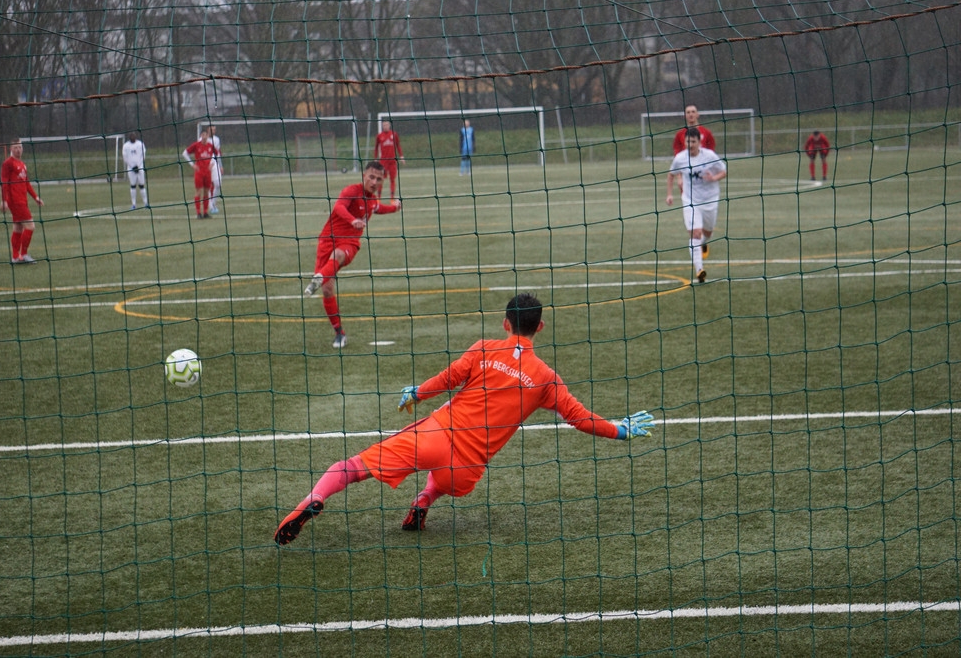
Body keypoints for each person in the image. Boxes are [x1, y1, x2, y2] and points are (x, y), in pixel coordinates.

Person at [275, 292, 656, 545]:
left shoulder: (483, 349)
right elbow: (580, 419)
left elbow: (448, 379)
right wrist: (620, 430)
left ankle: (311, 501)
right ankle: (424, 500)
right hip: (467, 469)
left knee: (352, 466)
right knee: (444, 480)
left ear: (506, 323)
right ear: (539, 327)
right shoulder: (546, 378)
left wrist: (416, 393)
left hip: (435, 436)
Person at [302, 161, 402, 349]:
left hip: (349, 244)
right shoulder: (351, 191)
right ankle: (340, 332)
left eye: (378, 179)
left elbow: (379, 208)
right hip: (326, 241)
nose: (374, 182)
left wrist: (396, 207)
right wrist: (352, 219)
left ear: (381, 182)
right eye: (371, 177)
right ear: (364, 175)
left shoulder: (371, 201)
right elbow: (339, 207)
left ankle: (319, 277)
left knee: (338, 255)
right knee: (327, 291)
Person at [666, 127, 727, 283]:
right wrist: (670, 194)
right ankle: (699, 270)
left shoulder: (709, 156)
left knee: (707, 232)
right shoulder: (680, 158)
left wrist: (713, 178)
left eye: (693, 141)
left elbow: (723, 171)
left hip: (710, 199)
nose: (690, 144)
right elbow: (671, 174)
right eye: (688, 141)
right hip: (690, 200)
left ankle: (704, 244)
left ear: (699, 142)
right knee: (695, 233)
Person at [0, 138, 44, 264]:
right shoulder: (8, 163)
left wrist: (36, 197)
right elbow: (4, 183)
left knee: (18, 228)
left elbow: (27, 183)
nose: (18, 150)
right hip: (15, 201)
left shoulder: (22, 164)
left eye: (20, 147)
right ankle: (23, 255)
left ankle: (15, 257)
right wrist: (4, 200)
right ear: (11, 149)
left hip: (22, 200)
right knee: (30, 226)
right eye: (15, 148)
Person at [182, 127, 220, 219]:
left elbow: (217, 153)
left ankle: (205, 212)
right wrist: (192, 165)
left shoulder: (210, 145)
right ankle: (198, 213)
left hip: (207, 172)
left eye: (205, 135)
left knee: (206, 192)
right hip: (199, 172)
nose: (204, 137)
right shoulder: (196, 145)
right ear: (200, 136)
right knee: (198, 192)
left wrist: (212, 163)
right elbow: (184, 153)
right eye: (202, 135)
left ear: (207, 136)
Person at [373, 119, 404, 199]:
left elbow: (398, 145)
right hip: (383, 162)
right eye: (384, 125)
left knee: (392, 179)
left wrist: (401, 156)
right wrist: (375, 158)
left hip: (392, 161)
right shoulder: (379, 136)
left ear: (389, 125)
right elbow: (376, 148)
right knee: (380, 179)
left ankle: (392, 198)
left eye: (386, 125)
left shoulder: (394, 134)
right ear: (382, 126)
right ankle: (379, 198)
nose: (385, 126)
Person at [121, 132, 148, 209]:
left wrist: (138, 166)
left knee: (142, 185)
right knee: (133, 185)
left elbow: (143, 155)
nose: (133, 137)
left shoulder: (140, 144)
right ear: (129, 137)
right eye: (131, 136)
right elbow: (125, 157)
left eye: (134, 136)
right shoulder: (126, 146)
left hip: (140, 167)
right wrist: (132, 166)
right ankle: (133, 204)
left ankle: (145, 203)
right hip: (130, 168)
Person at [207, 125, 223, 213]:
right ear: (208, 130)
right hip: (206, 164)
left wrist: (220, 165)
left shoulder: (216, 139)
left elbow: (218, 153)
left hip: (215, 163)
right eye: (211, 129)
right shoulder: (202, 140)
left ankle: (213, 203)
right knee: (208, 185)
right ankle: (211, 206)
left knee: (218, 183)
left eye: (214, 130)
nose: (213, 131)